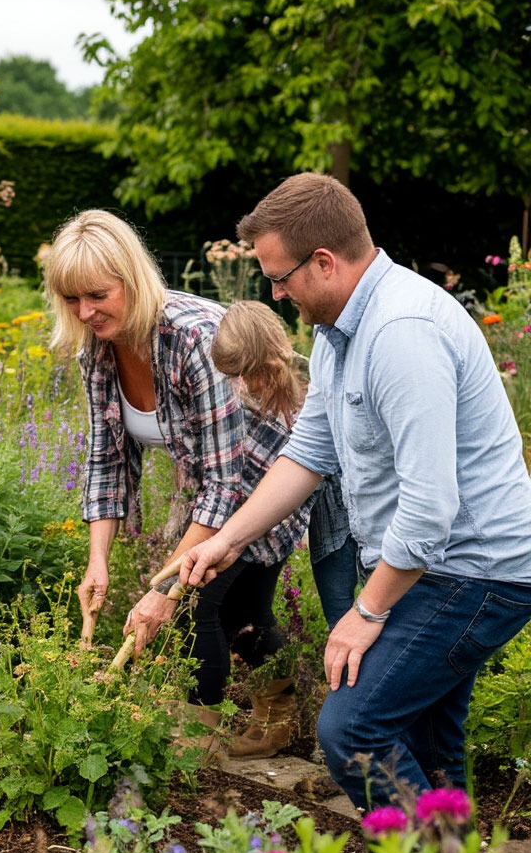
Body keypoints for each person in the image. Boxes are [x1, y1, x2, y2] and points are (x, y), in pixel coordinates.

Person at [180, 172, 531, 809]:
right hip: (434, 563)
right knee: (425, 741)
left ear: (324, 262)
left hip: (475, 570)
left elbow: (430, 508)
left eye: (280, 278)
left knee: (353, 730)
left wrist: (364, 615)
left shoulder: (402, 333)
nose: (275, 294)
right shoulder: (338, 332)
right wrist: (227, 540)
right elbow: (308, 454)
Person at [43, 210, 309, 751]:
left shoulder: (195, 340)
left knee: (192, 605)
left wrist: (165, 588)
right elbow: (107, 459)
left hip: (271, 476)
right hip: (212, 481)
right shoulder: (96, 348)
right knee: (242, 609)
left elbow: (226, 481)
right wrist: (98, 562)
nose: (86, 312)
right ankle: (280, 720)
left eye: (97, 295)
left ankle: (194, 745)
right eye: (72, 300)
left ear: (132, 279)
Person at [212, 300, 358, 629]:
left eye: (250, 374)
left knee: (339, 596)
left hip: (320, 508)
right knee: (247, 614)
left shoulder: (310, 385)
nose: (244, 384)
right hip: (257, 517)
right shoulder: (241, 390)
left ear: (270, 361)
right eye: (237, 376)